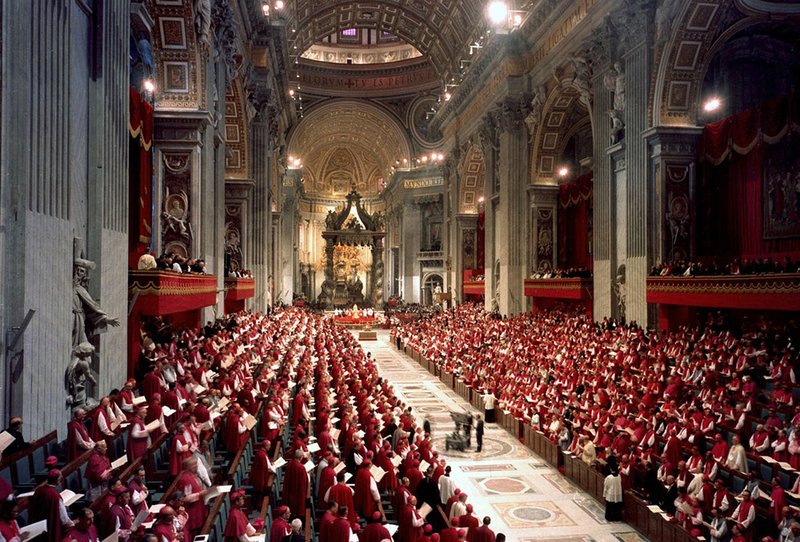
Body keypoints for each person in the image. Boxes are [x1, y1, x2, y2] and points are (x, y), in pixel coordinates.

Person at [29, 469, 73, 542]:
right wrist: (71, 524)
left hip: (38, 527)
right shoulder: (55, 496)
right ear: (57, 480)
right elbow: (64, 519)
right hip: (51, 528)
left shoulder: (38, 490)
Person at [176, 456, 209, 538]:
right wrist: (200, 493)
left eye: (195, 464)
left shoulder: (193, 475)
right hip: (192, 510)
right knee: (195, 533)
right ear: (187, 467)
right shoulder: (185, 479)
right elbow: (185, 498)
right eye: (193, 465)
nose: (196, 466)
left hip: (199, 507)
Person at [282, 449, 310, 519]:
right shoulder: (301, 468)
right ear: (301, 457)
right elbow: (303, 483)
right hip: (298, 492)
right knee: (298, 507)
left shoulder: (289, 464)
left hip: (290, 490)